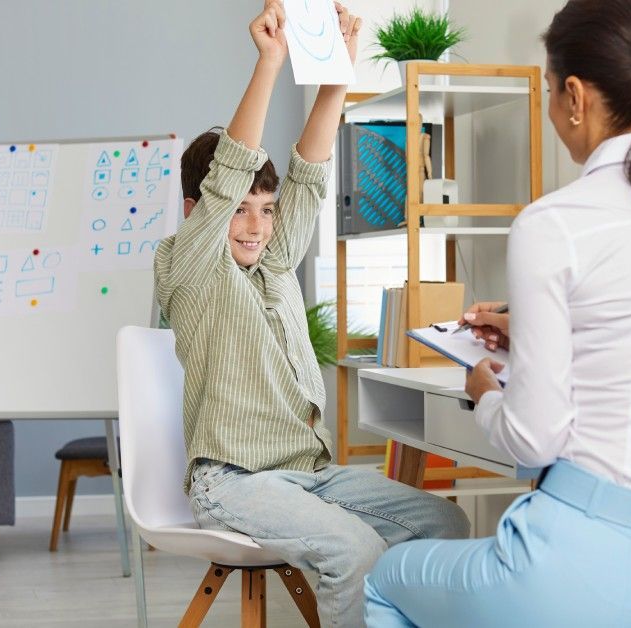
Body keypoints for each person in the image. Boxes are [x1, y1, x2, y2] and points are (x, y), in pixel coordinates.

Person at [363, 0, 631, 625]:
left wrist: (484, 392)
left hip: (578, 575)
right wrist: (534, 332)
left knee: (385, 583)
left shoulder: (556, 224)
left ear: (575, 96)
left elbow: (535, 437)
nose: (550, 111)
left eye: (548, 91)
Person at [153, 3, 470, 625]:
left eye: (265, 210)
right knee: (352, 551)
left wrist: (337, 77)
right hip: (236, 480)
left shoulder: (272, 263)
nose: (255, 226)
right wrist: (271, 61)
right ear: (199, 209)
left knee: (446, 521)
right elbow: (229, 175)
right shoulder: (186, 264)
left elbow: (310, 174)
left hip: (310, 471)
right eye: (240, 209)